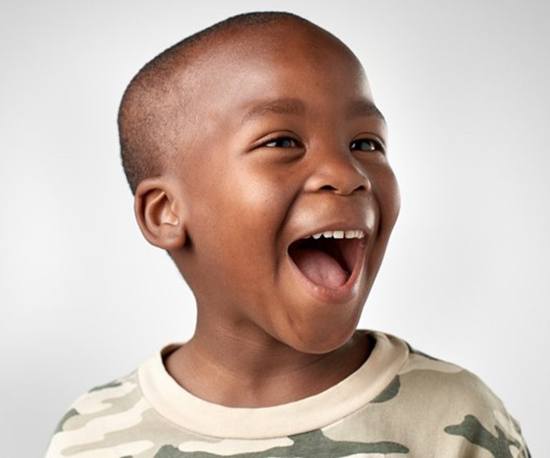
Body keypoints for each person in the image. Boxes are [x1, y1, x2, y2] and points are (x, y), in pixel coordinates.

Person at [44, 11, 531, 457]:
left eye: (366, 143)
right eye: (282, 141)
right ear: (165, 212)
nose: (347, 173)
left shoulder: (460, 420)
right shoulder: (90, 434)